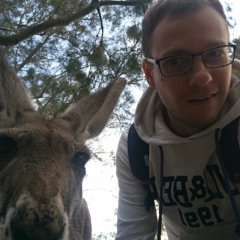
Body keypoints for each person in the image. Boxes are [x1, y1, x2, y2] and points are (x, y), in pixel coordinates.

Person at [116, 0, 240, 239]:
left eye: (215, 53)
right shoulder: (136, 148)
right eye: (175, 61)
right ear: (150, 74)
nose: (202, 78)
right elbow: (134, 234)